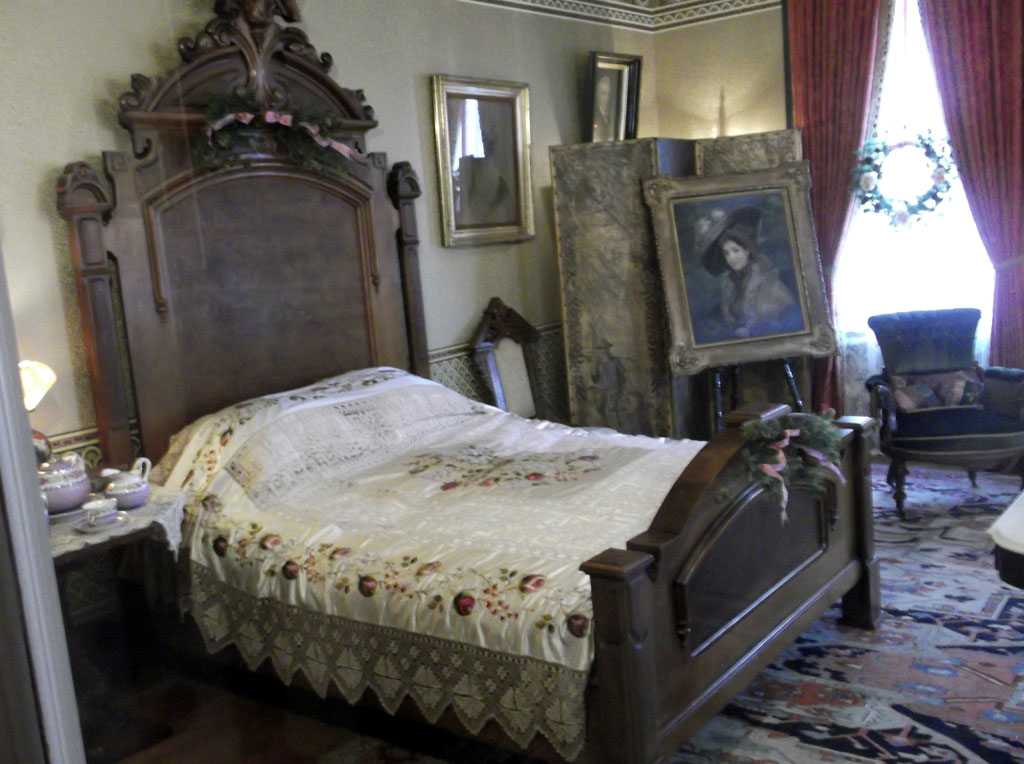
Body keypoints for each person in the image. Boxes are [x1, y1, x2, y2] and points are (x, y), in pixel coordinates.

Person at [695, 205, 803, 341]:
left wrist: (751, 331)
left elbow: (785, 324)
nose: (731, 258)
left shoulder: (769, 283)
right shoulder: (731, 284)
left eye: (736, 251)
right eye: (726, 253)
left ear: (747, 251)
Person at [591, 73, 616, 141]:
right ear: (597, 94)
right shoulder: (593, 115)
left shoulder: (612, 115)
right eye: (603, 94)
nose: (607, 98)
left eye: (609, 94)